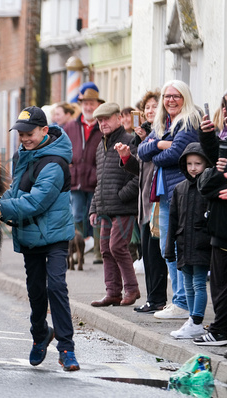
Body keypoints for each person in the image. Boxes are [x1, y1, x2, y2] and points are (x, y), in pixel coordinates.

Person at [0, 106, 80, 371]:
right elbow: (14, 191)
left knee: (56, 286)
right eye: (20, 135)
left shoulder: (55, 162)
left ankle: (66, 348)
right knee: (35, 290)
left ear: (45, 130)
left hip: (55, 234)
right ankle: (40, 335)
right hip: (31, 233)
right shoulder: (23, 155)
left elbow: (36, 202)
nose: (24, 139)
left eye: (29, 133)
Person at [138, 80, 200, 320]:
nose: (171, 100)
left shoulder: (188, 122)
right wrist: (161, 143)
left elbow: (177, 155)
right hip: (163, 195)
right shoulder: (163, 124)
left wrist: (157, 150)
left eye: (176, 96)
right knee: (167, 249)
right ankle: (179, 301)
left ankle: (183, 302)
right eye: (167, 96)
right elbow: (143, 152)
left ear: (185, 98)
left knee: (177, 248)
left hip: (181, 194)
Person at [118, 90, 168, 313]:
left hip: (157, 200)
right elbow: (139, 169)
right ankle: (152, 298)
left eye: (154, 106)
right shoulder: (143, 135)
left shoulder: (161, 133)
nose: (149, 110)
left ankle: (158, 299)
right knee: (146, 253)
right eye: (147, 107)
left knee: (156, 254)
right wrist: (127, 157)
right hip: (144, 201)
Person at [88, 103, 140, 307]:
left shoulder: (130, 141)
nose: (103, 123)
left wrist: (122, 195)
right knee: (106, 250)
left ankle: (132, 289)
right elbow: (100, 181)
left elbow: (139, 175)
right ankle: (112, 292)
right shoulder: (101, 146)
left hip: (124, 207)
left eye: (107, 119)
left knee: (117, 247)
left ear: (119, 118)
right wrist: (94, 207)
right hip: (105, 207)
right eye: (100, 121)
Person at [192, 99, 227, 346]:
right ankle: (219, 329)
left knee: (224, 282)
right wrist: (207, 136)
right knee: (219, 281)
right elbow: (218, 161)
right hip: (221, 219)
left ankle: (219, 331)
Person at [165, 143, 211, 339]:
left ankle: (197, 321)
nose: (193, 167)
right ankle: (193, 320)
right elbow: (173, 220)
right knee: (188, 284)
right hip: (184, 244)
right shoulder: (179, 188)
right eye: (189, 163)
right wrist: (169, 248)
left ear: (206, 164)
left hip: (202, 244)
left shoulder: (209, 187)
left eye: (198, 163)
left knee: (199, 283)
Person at [63, 82, 105, 263]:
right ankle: (75, 251)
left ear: (97, 105)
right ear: (81, 105)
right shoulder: (70, 126)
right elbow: (62, 150)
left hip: (96, 180)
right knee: (76, 215)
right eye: (85, 103)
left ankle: (97, 251)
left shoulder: (103, 127)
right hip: (76, 179)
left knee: (95, 215)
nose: (88, 107)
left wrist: (98, 171)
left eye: (92, 103)